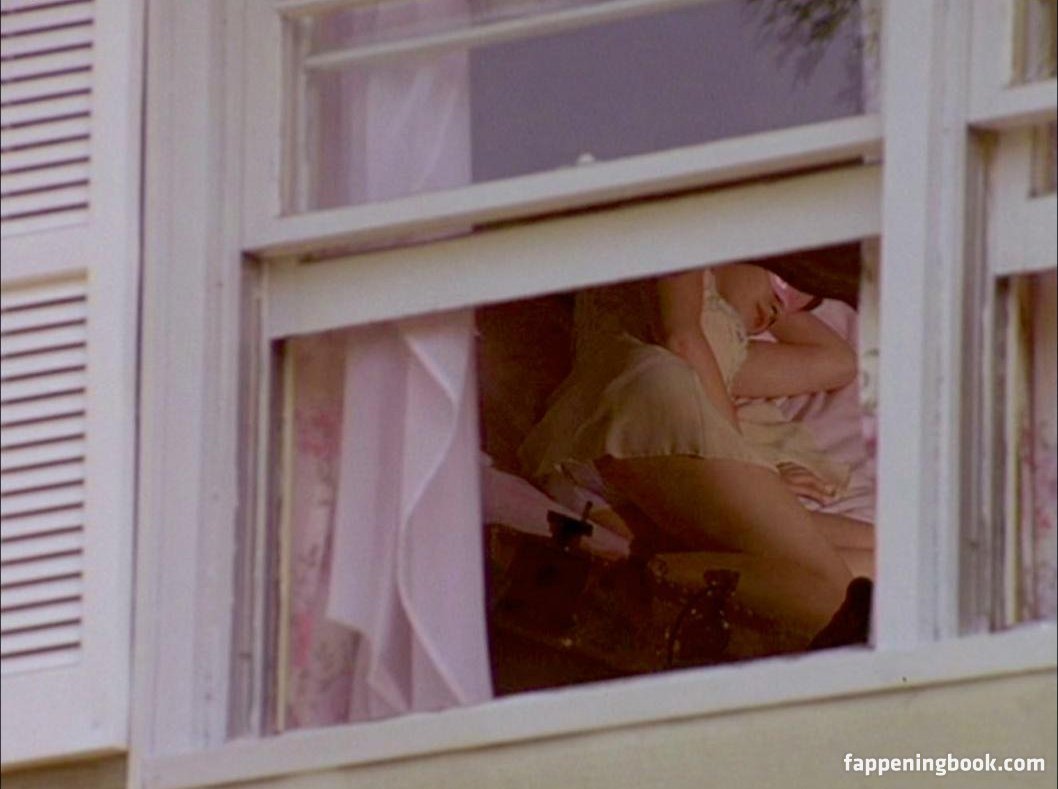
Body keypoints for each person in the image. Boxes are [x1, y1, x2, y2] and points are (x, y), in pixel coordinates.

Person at [519, 263, 873, 646]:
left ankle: (646, 571)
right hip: (642, 418)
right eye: (781, 282)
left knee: (881, 557)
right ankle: (628, 583)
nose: (779, 307)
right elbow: (681, 339)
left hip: (647, 451)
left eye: (793, 307)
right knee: (835, 598)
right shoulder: (681, 278)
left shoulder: (727, 344)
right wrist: (752, 468)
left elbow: (838, 363)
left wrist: (781, 300)